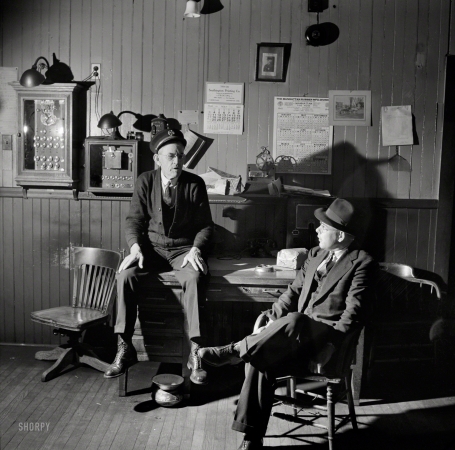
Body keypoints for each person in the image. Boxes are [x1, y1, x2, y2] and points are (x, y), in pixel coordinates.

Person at [198, 198, 376, 449]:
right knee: (261, 358)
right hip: (293, 337)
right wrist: (271, 318)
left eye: (323, 228)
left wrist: (333, 346)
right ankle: (252, 438)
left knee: (295, 319)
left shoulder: (361, 262)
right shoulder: (315, 255)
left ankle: (235, 350)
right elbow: (291, 293)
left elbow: (353, 314)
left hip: (324, 345)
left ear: (340, 235)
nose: (317, 230)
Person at [104, 128, 214, 385]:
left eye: (181, 156)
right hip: (150, 250)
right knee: (124, 276)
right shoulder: (145, 181)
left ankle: (195, 353)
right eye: (171, 156)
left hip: (182, 251)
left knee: (195, 279)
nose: (177, 162)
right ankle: (124, 347)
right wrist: (135, 247)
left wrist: (196, 248)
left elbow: (206, 226)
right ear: (157, 158)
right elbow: (134, 221)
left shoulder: (194, 184)